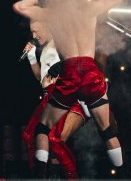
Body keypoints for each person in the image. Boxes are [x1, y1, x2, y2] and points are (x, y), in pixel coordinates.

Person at [14, 0, 124, 178]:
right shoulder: (89, 10)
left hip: (70, 72)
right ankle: (123, 175)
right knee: (107, 131)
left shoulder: (53, 15)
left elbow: (20, 6)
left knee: (42, 129)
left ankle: (40, 176)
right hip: (90, 72)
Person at [20, 20, 88, 178]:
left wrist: (61, 67)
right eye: (32, 32)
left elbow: (77, 60)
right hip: (47, 95)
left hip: (61, 93)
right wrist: (32, 57)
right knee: (29, 136)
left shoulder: (60, 40)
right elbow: (40, 77)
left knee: (53, 139)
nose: (34, 36)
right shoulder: (45, 49)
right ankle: (39, 176)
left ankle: (72, 176)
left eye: (36, 31)